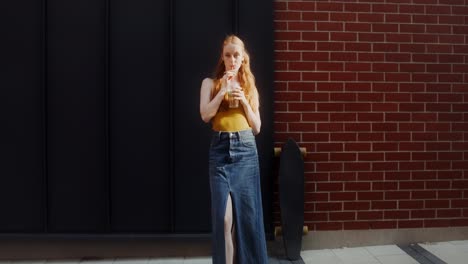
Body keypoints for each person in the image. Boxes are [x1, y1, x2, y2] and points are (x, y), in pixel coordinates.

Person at [199, 35, 268, 264]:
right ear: (223, 56)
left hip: (246, 151)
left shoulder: (249, 85)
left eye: (236, 55)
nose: (231, 59)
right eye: (227, 55)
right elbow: (205, 114)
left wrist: (245, 101)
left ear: (242, 58)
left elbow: (257, 127)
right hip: (220, 152)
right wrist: (223, 91)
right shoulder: (210, 83)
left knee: (247, 221)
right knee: (224, 220)